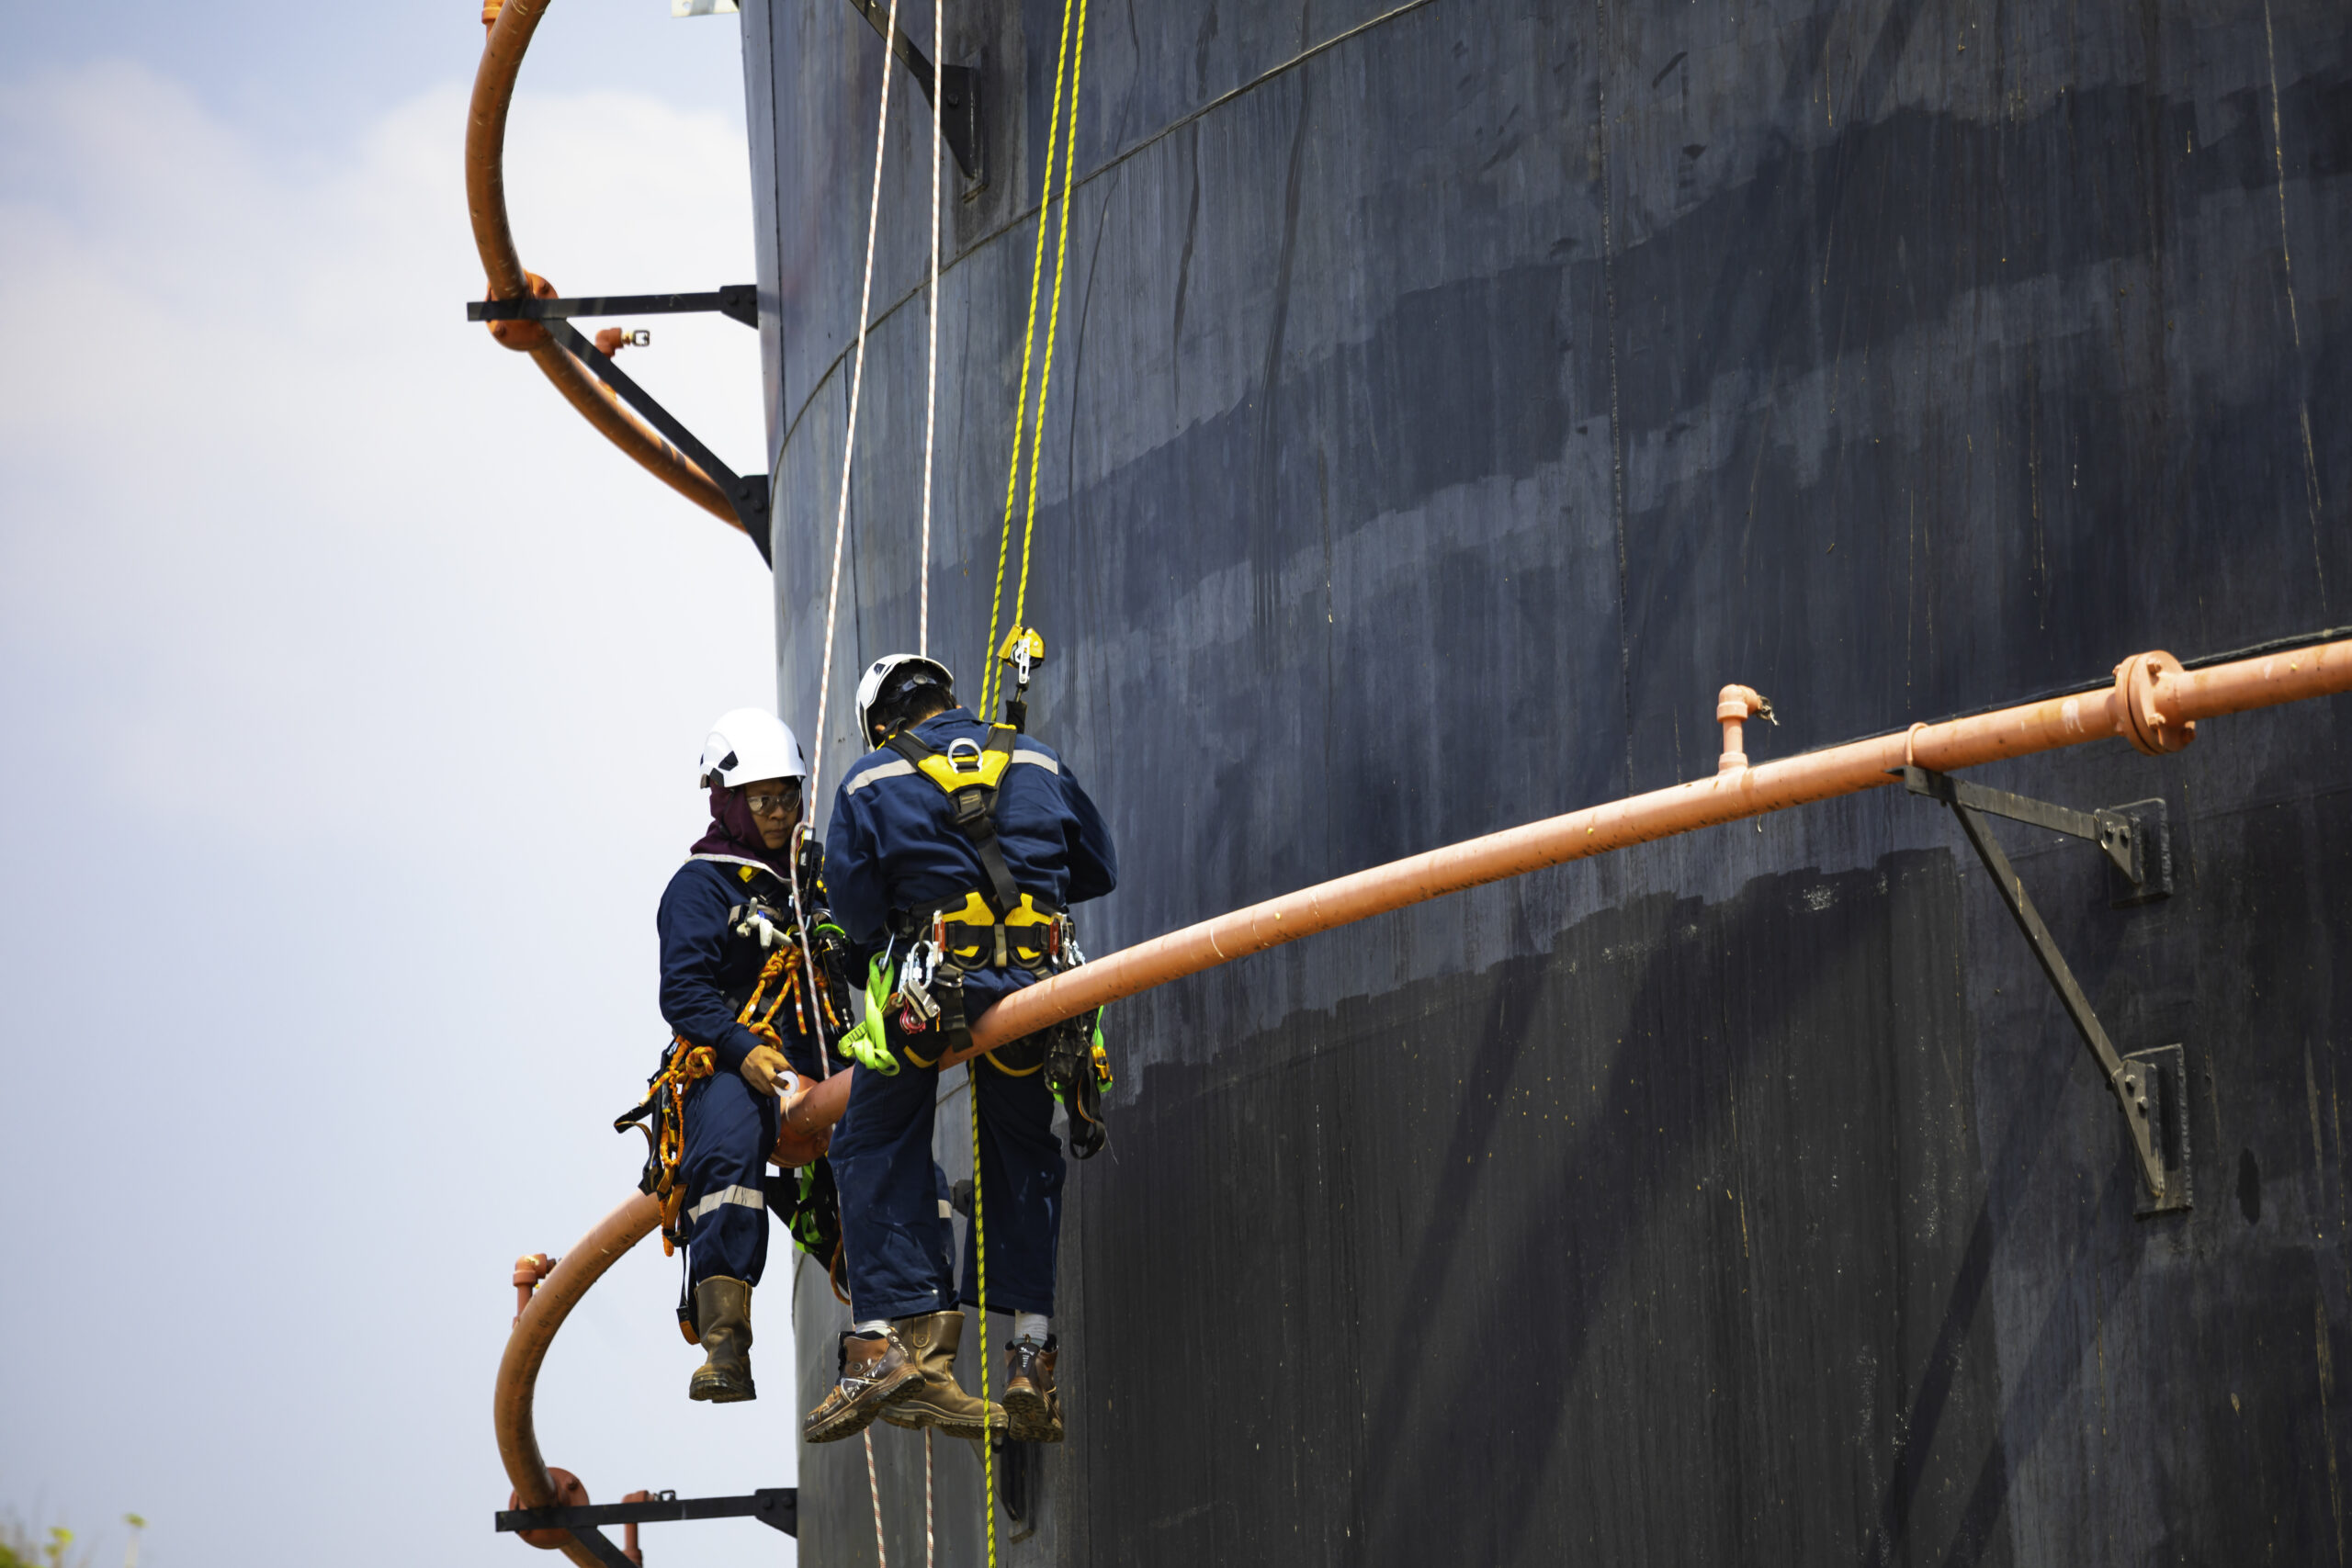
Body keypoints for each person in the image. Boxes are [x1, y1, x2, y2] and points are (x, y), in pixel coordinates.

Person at [800, 654, 1117, 1446]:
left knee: (874, 1137)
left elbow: (862, 917)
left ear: (881, 722)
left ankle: (889, 1343)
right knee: (1022, 1152)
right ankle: (1031, 1358)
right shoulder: (1035, 756)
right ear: (949, 699)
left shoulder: (870, 781)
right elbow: (1097, 869)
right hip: (1042, 993)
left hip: (935, 997)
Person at [654, 707, 850, 1404]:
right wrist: (743, 1049)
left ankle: (904, 1329)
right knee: (730, 1145)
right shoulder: (702, 886)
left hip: (823, 1063)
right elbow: (683, 990)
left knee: (887, 1137)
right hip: (736, 1068)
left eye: (787, 795)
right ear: (728, 800)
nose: (777, 811)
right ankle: (726, 1346)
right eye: (761, 798)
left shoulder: (811, 883)